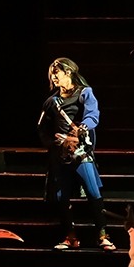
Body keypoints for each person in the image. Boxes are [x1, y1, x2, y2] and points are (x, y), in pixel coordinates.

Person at [38, 58, 114, 251]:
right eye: (51, 74)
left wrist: (81, 128)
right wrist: (52, 144)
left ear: (69, 72)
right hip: (59, 154)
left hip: (80, 152)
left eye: (57, 73)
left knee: (93, 192)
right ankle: (70, 237)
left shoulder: (85, 93)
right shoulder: (51, 102)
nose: (54, 77)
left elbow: (93, 115)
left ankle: (103, 236)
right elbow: (42, 127)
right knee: (62, 196)